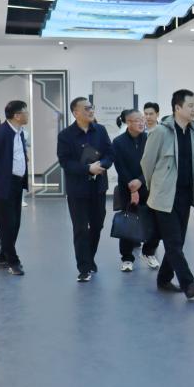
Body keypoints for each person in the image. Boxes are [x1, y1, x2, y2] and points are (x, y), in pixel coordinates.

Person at [141, 89, 194, 299]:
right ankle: (188, 284)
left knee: (178, 241)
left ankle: (164, 279)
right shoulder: (161, 132)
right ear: (177, 108)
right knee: (173, 242)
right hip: (164, 196)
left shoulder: (193, 130)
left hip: (185, 195)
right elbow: (147, 163)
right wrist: (155, 188)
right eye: (190, 106)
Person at [57, 97, 113, 283]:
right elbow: (65, 162)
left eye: (92, 107)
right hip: (77, 189)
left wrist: (102, 165)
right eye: (87, 108)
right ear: (76, 113)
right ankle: (84, 267)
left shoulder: (100, 130)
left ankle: (89, 258)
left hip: (98, 187)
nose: (91, 111)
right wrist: (88, 169)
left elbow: (109, 153)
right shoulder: (65, 135)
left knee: (97, 225)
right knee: (81, 228)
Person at [0, 100, 29, 276]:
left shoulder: (20, 132)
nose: (28, 115)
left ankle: (2, 255)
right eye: (25, 112)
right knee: (6, 224)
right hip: (1, 185)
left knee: (14, 223)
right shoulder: (0, 134)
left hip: (16, 183)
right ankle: (13, 261)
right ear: (17, 115)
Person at [112, 109, 160, 271]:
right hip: (127, 188)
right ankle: (127, 258)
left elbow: (153, 164)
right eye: (137, 120)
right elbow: (120, 167)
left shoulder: (149, 139)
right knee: (129, 222)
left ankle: (149, 252)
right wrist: (132, 188)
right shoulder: (118, 142)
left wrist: (140, 181)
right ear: (128, 122)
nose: (142, 122)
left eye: (142, 119)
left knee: (154, 221)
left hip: (148, 186)